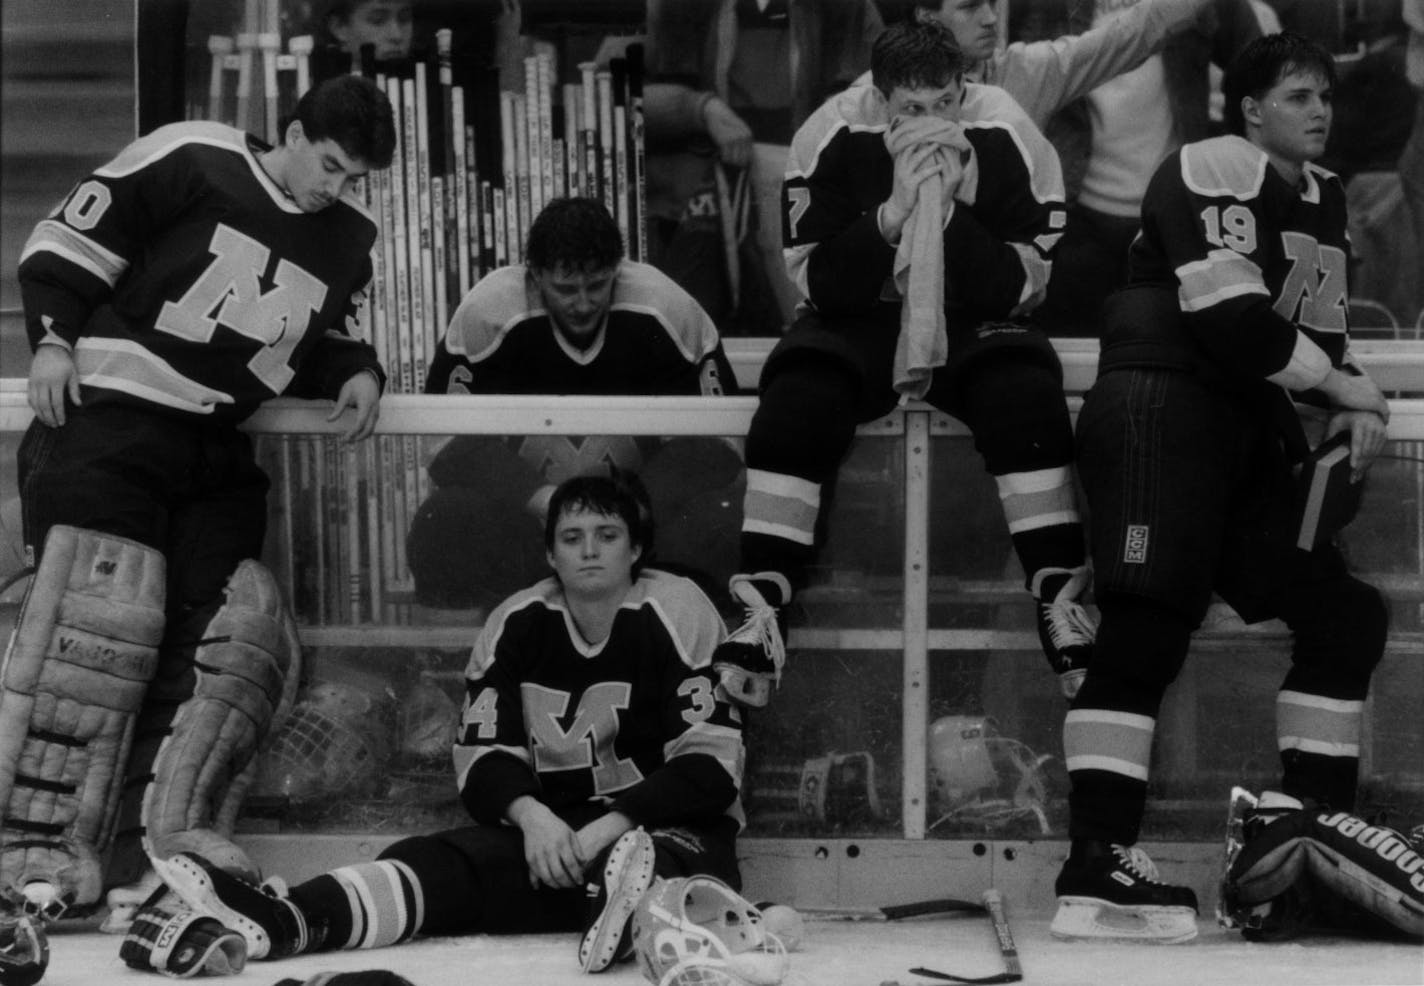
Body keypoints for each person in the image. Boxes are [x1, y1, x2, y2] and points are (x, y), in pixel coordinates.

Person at [3, 73, 396, 928]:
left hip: (215, 445)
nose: (335, 186)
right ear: (290, 131)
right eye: (328, 163)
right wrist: (52, 341)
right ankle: (32, 862)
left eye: (352, 177)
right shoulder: (194, 154)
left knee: (223, 641)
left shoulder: (346, 240)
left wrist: (357, 369)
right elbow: (69, 240)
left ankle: (167, 851)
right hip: (110, 425)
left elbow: (309, 337)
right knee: (90, 633)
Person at [132, 473, 751, 977]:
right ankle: (290, 919)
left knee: (661, 858)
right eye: (573, 536)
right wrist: (534, 821)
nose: (589, 549)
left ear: (635, 548)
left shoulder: (678, 610)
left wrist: (612, 828)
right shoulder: (515, 622)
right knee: (431, 862)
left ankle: (638, 905)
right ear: (549, 552)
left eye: (607, 534)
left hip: (662, 834)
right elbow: (482, 761)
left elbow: (711, 768)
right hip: (556, 845)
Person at [1053, 33, 1393, 944]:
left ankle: (1312, 843)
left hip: (1239, 426)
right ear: (1248, 108)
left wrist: (1351, 390)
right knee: (1147, 625)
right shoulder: (1213, 160)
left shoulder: (1322, 195)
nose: (1318, 109)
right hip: (1164, 405)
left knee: (1343, 614)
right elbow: (1227, 311)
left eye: (1324, 94)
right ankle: (1095, 866)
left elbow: (1303, 326)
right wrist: (1344, 387)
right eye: (1295, 95)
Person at [710, 19, 1096, 709]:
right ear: (880, 97)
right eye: (912, 110)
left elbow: (1023, 286)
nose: (931, 122)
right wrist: (891, 216)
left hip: (972, 310)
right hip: (864, 311)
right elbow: (821, 285)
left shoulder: (1008, 131)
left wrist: (947, 214)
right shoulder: (829, 132)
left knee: (1024, 397)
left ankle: (1059, 594)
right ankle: (762, 604)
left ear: (963, 87)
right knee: (798, 394)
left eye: (944, 104)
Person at [412, 197, 743, 611]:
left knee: (724, 519)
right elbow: (444, 445)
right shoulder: (488, 312)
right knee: (440, 523)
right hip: (531, 531)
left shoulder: (667, 308)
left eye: (597, 284)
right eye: (566, 288)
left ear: (617, 270)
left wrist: (631, 509)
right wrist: (543, 501)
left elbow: (722, 441)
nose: (583, 303)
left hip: (639, 532)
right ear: (534, 275)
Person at [601, 0, 885, 336]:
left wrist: (842, 112)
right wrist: (699, 109)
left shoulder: (848, 9)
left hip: (810, 213)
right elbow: (606, 90)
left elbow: (888, 94)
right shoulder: (671, 7)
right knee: (688, 335)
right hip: (693, 217)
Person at [1032, 0, 1262, 336]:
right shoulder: (1049, 9)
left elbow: (1261, 71)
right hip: (1074, 217)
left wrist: (1234, 163)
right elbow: (1015, 80)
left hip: (1171, 218)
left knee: (1167, 355)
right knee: (1075, 354)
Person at [885, 0, 1216, 133]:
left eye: (989, 2)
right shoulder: (874, 93)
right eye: (970, 7)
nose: (989, 18)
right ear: (927, 16)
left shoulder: (1026, 71)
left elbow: (1128, 34)